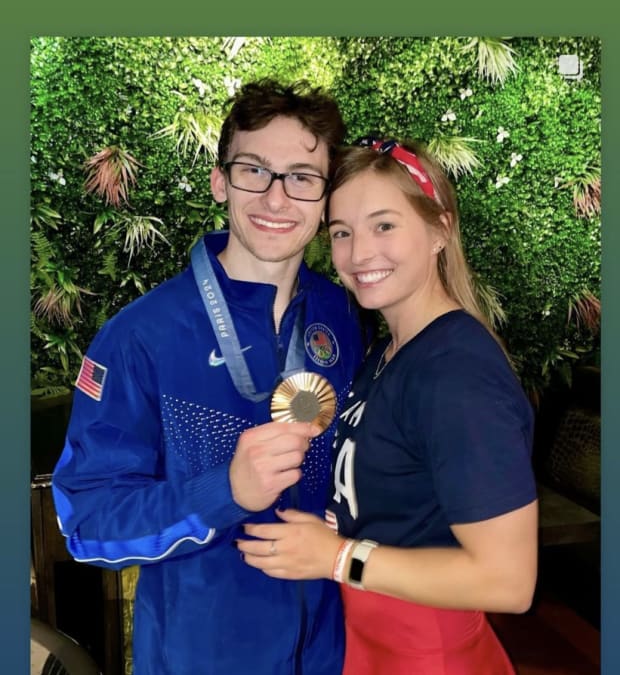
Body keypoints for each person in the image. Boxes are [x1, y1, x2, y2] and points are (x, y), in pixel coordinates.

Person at [52, 80, 366, 675]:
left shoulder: (341, 316)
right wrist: (225, 492)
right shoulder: (141, 337)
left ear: (326, 197)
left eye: (302, 176)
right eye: (254, 170)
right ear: (221, 180)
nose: (277, 198)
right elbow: (87, 525)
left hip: (330, 652)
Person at [238, 135, 539, 674]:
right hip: (372, 642)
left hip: (429, 653)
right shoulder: (387, 351)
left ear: (439, 230)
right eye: (342, 233)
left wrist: (336, 557)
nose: (358, 254)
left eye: (384, 225)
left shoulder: (457, 372)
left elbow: (508, 581)